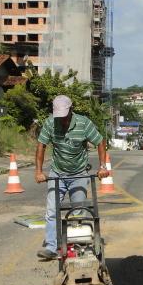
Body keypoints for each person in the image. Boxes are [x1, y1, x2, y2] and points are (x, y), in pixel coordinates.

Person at [35, 95, 109, 260]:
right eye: (58, 116)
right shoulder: (50, 123)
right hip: (57, 173)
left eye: (64, 115)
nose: (61, 120)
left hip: (78, 174)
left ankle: (78, 245)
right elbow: (41, 146)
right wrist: (39, 171)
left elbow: (100, 141)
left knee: (79, 210)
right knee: (52, 210)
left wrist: (102, 167)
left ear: (71, 110)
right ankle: (52, 247)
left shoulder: (83, 123)